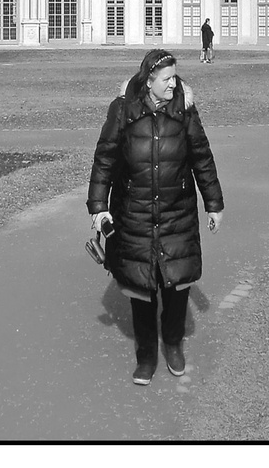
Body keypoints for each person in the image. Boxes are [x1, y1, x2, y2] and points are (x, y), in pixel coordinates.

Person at [87, 48, 225, 386]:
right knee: (141, 291)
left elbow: (202, 159)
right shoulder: (123, 111)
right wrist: (98, 207)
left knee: (177, 287)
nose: (173, 83)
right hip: (135, 214)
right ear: (149, 81)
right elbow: (105, 159)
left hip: (176, 213)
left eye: (175, 77)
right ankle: (146, 355)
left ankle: (174, 345)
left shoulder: (185, 111)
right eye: (166, 79)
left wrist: (214, 204)